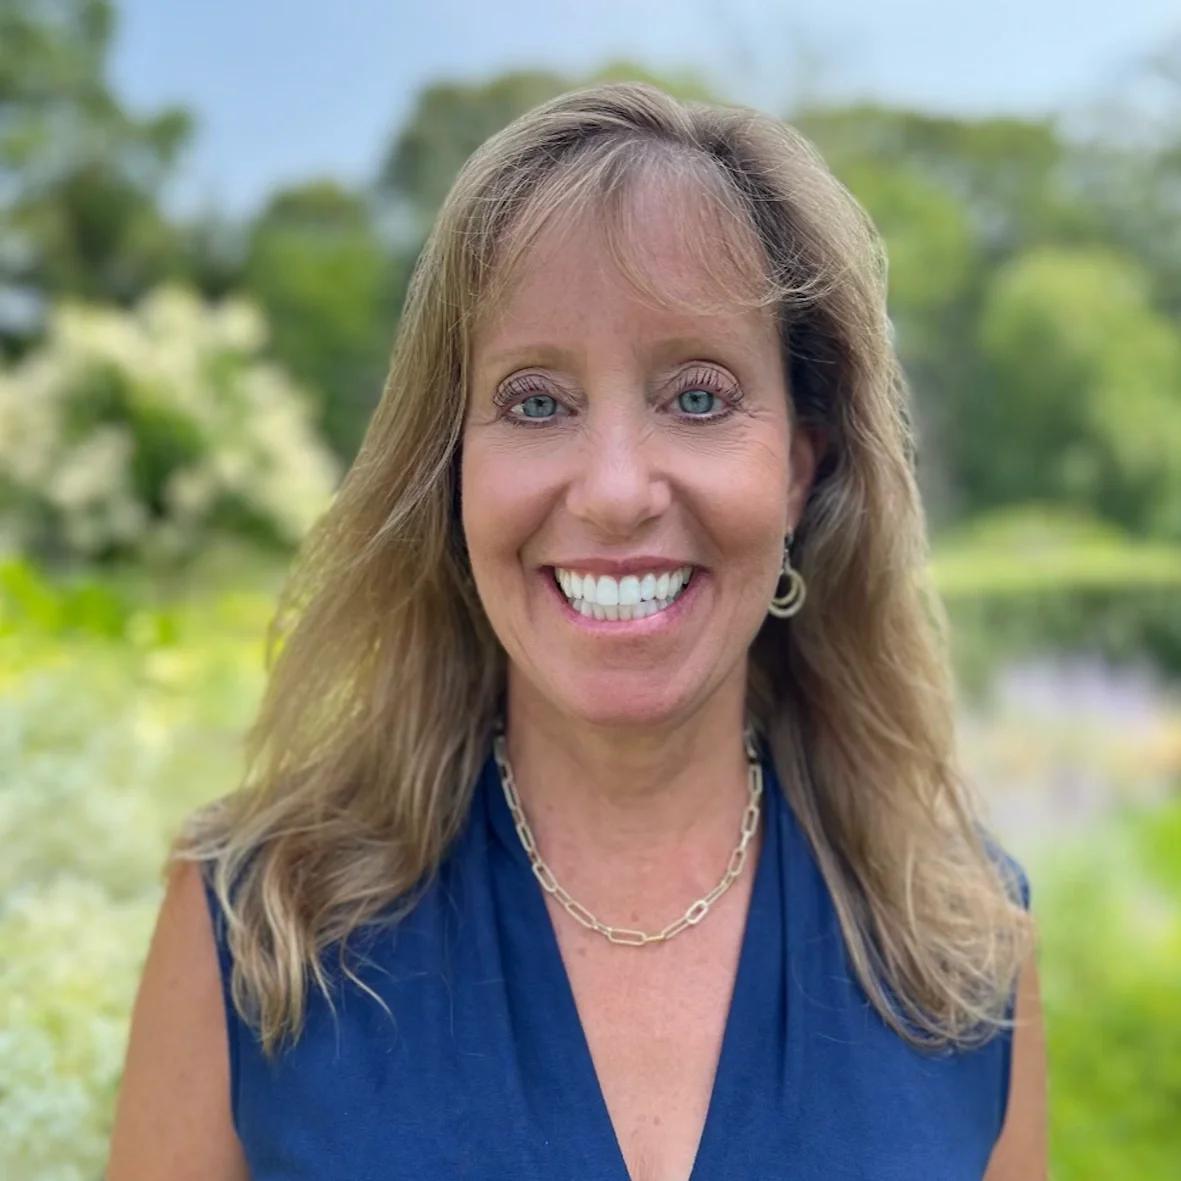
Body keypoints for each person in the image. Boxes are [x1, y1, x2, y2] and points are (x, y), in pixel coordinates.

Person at [107, 82, 1046, 1180]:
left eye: (696, 397)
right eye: (536, 401)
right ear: (450, 471)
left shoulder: (963, 945)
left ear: (797, 470)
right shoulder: (255, 926)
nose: (611, 491)